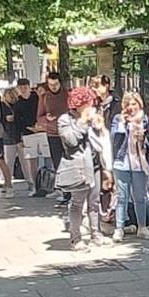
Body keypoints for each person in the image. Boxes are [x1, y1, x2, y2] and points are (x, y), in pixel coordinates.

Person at [53, 86, 103, 248]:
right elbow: (71, 141)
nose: (91, 106)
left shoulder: (92, 118)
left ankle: (96, 233)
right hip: (78, 167)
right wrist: (82, 122)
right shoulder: (64, 120)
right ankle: (76, 237)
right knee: (77, 203)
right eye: (88, 103)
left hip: (94, 164)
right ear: (79, 104)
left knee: (95, 201)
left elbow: (100, 141)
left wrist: (98, 127)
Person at [110, 91, 149, 241]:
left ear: (139, 104)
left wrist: (145, 137)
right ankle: (119, 228)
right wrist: (121, 124)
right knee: (122, 197)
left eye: (134, 104)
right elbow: (113, 138)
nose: (131, 107)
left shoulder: (146, 119)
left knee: (140, 197)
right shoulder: (118, 119)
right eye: (128, 104)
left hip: (141, 162)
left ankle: (142, 227)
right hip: (122, 162)